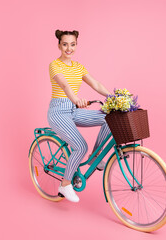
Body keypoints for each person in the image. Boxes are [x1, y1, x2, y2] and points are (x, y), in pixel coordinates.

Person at [47, 29, 112, 203]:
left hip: (73, 111)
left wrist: (112, 96)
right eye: (65, 44)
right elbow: (64, 85)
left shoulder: (78, 67)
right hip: (58, 111)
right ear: (59, 45)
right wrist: (76, 99)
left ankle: (95, 158)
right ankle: (65, 184)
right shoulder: (55, 65)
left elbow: (96, 84)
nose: (69, 48)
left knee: (109, 118)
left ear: (76, 45)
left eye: (73, 44)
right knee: (80, 146)